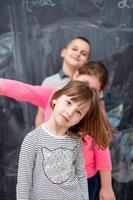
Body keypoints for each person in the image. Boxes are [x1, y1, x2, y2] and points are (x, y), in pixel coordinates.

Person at [0, 61, 116, 200]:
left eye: (93, 90)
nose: (87, 92)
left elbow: (102, 147)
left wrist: (107, 187)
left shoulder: (91, 111)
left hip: (85, 178)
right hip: (48, 177)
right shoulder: (53, 94)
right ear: (76, 74)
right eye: (85, 84)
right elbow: (24, 89)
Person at [35, 36, 91, 127]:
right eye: (74, 49)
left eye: (83, 53)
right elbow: (41, 115)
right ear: (63, 52)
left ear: (87, 62)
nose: (77, 54)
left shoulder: (89, 85)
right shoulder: (49, 82)